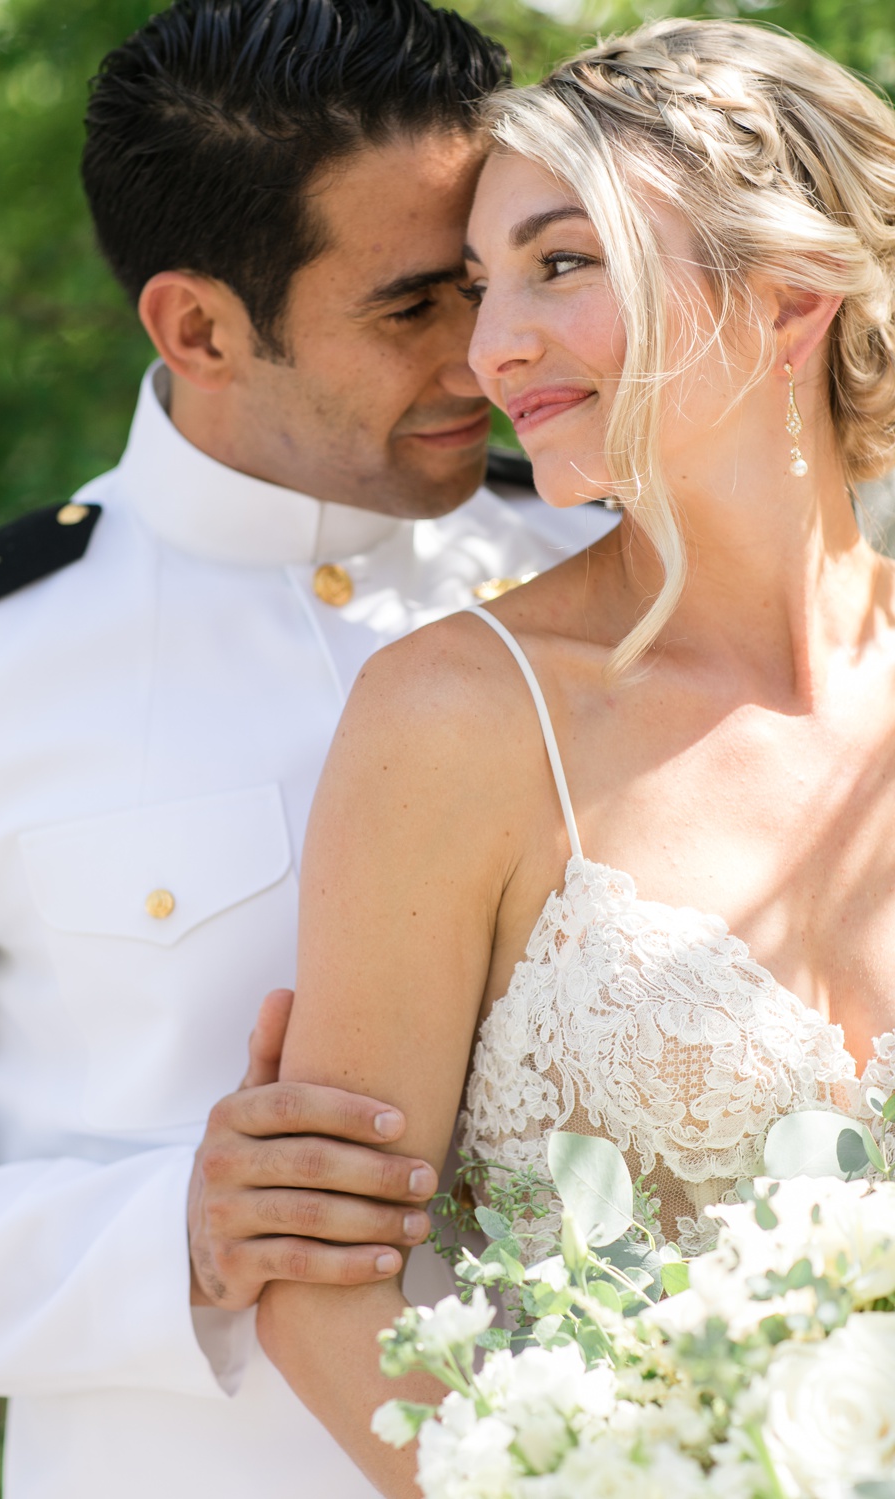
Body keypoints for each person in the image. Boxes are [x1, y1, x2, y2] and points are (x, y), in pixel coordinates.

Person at [0, 1, 613, 1493]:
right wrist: (182, 1231)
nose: (488, 357)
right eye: (415, 306)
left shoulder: (612, 570)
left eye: (493, 284)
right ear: (200, 326)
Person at [258, 18, 895, 1494]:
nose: (490, 347)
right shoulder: (453, 720)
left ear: (791, 292)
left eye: (561, 262)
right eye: (484, 288)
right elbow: (318, 1286)